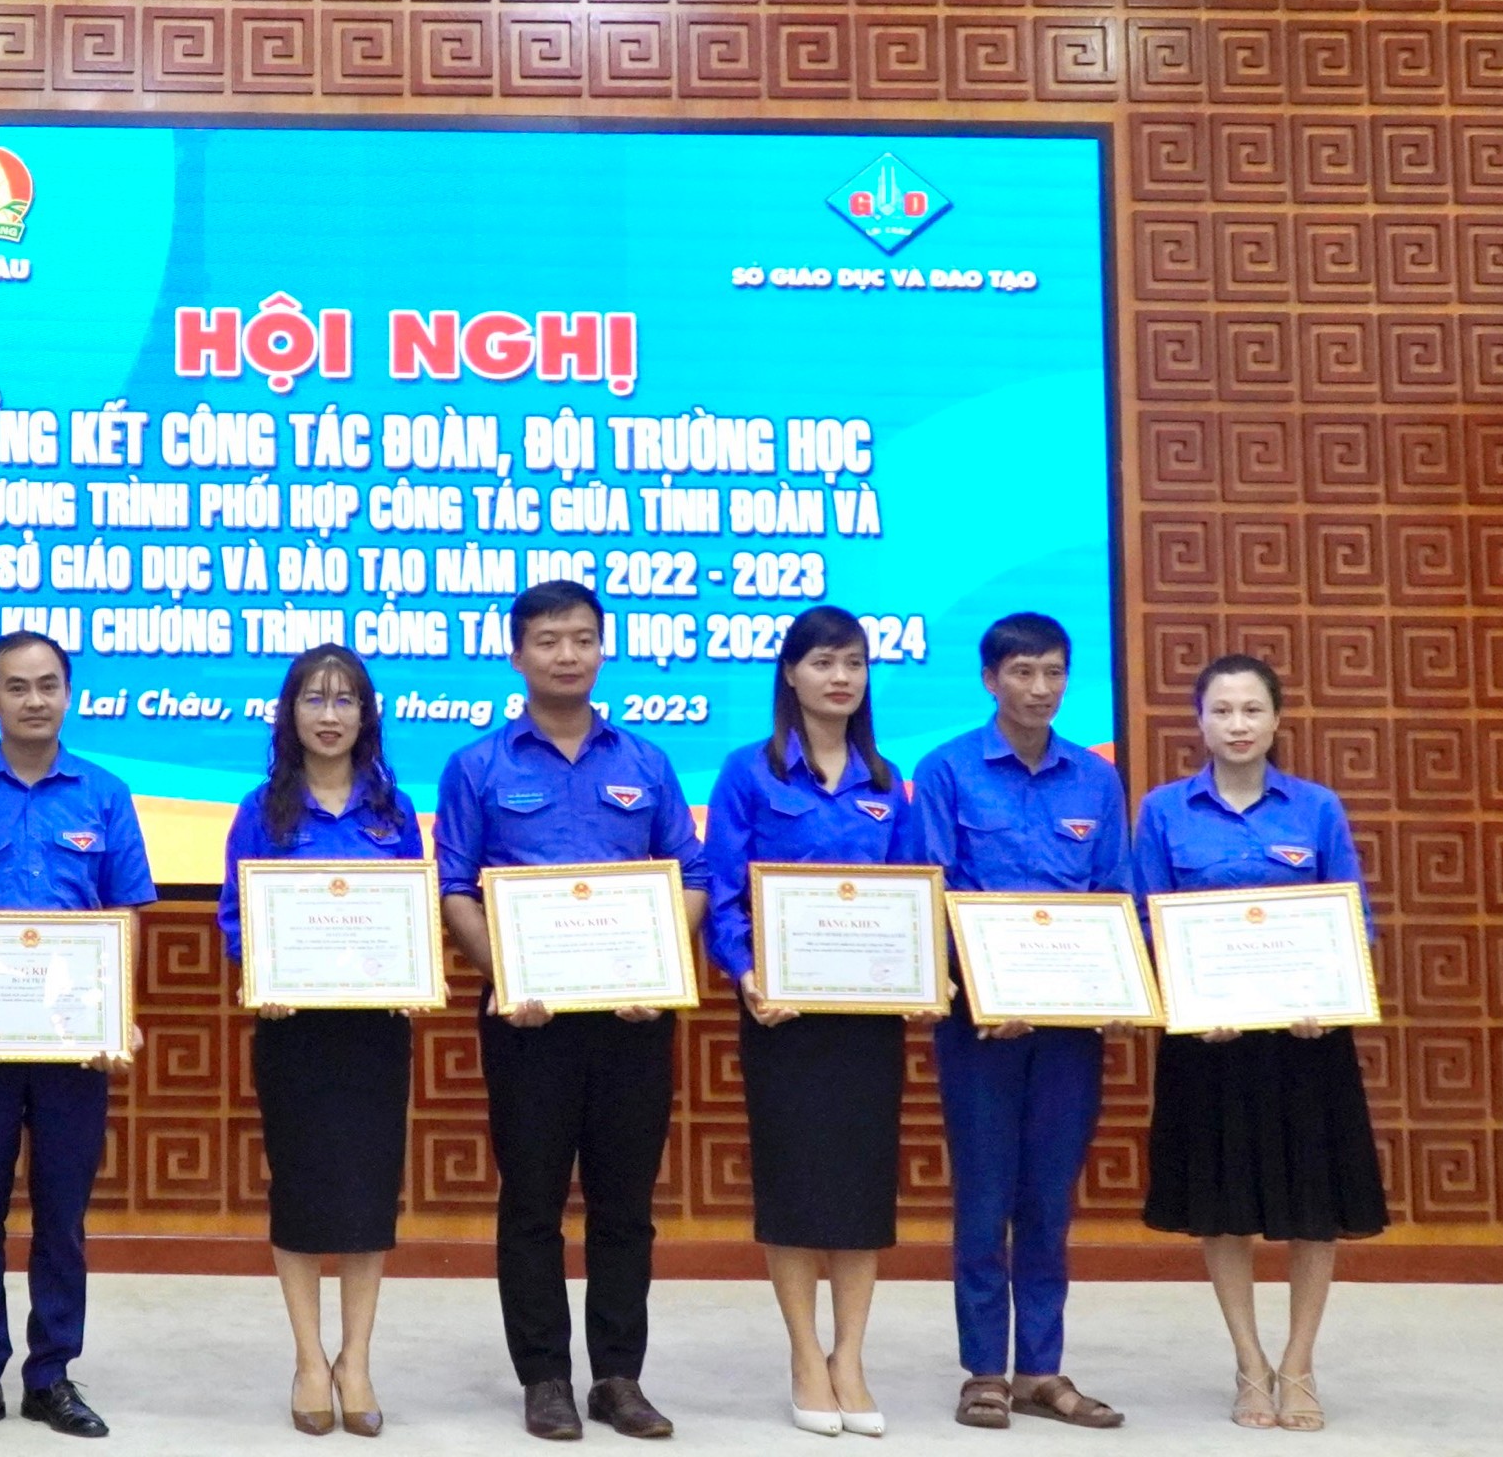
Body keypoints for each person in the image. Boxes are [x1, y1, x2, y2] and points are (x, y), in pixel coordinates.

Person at [436, 580, 709, 1442]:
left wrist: (657, 969)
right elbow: (454, 888)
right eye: (548, 640)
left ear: (601, 649)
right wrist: (506, 974)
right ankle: (545, 1377)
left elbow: (693, 877)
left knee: (625, 1206)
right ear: (516, 655)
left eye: (583, 639)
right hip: (528, 1023)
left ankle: (619, 1377)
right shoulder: (477, 766)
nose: (567, 655)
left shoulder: (646, 762)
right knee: (532, 1204)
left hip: (632, 1020)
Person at [0, 631, 157, 1440]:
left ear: (68, 693)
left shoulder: (106, 794)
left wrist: (114, 1015)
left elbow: (123, 916)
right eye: (16, 687)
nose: (34, 700)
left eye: (48, 684)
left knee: (62, 1218)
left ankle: (51, 1374)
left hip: (71, 1046)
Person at [1134, 653, 1386, 1433]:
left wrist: (1328, 1000)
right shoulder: (1162, 812)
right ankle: (1248, 1363)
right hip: (1208, 1042)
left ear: (1276, 720)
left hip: (1304, 1042)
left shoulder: (1315, 809)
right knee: (1222, 1207)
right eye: (1221, 710)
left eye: (1251, 710)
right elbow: (1146, 920)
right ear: (1198, 722)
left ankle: (1299, 1363)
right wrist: (1187, 1001)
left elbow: (1352, 919)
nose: (1236, 725)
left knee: (1313, 1208)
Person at [703, 604, 931, 1438]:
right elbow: (722, 894)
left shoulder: (885, 782)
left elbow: (912, 892)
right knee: (795, 1186)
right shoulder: (747, 773)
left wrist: (919, 971)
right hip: (783, 1017)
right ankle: (805, 1354)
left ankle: (850, 1358)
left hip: (866, 1022)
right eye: (823, 662)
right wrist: (747, 974)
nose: (840, 677)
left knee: (862, 1190)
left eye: (854, 663)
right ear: (790, 675)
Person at [914, 613, 1129, 1431]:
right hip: (980, 1025)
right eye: (1022, 672)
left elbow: (1113, 894)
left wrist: (1118, 991)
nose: (1039, 689)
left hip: (1069, 1029)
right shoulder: (945, 771)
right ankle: (982, 1370)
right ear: (989, 679)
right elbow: (932, 891)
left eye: (1053, 673)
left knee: (1047, 1197)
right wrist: (983, 992)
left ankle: (1040, 1368)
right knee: (983, 1194)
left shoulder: (1095, 780)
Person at [217, 645, 425, 1438]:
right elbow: (235, 917)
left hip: (374, 1032)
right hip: (293, 1032)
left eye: (345, 700)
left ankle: (356, 1359)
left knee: (370, 1195)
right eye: (314, 699)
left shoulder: (394, 812)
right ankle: (309, 1359)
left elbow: (413, 910)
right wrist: (261, 973)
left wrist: (408, 972)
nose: (330, 715)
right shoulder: (259, 811)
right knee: (301, 1191)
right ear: (290, 713)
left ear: (366, 715)